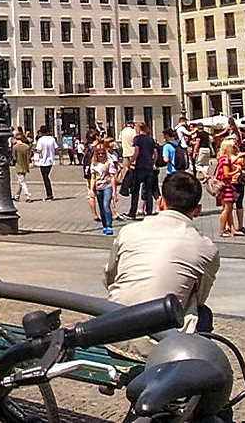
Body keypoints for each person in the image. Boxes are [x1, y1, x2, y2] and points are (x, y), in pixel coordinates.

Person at [104, 171, 220, 335]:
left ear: (160, 202)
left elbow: (110, 275)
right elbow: (200, 298)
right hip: (164, 343)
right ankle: (193, 358)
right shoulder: (205, 248)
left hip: (113, 331)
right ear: (198, 210)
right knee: (203, 313)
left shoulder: (128, 231)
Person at [128, 122, 160, 219]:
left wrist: (131, 161)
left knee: (135, 190)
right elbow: (156, 154)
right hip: (149, 167)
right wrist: (152, 161)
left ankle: (132, 212)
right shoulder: (150, 139)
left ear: (139, 129)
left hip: (140, 167)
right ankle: (148, 211)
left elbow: (136, 152)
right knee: (149, 190)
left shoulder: (137, 139)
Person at [213, 137, 243, 237]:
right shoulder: (225, 159)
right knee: (227, 208)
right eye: (233, 147)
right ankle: (222, 231)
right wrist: (236, 171)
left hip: (226, 185)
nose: (235, 148)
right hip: (225, 186)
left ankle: (232, 229)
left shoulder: (222, 158)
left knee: (229, 208)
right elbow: (227, 174)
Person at [89, 143, 119, 236]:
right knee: (101, 207)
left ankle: (109, 225)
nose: (101, 155)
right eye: (99, 153)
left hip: (107, 186)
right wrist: (91, 190)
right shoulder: (94, 164)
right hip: (98, 187)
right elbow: (93, 178)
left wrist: (114, 192)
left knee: (106, 205)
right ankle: (104, 225)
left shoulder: (108, 163)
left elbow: (112, 177)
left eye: (102, 153)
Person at [34, 125, 57, 200]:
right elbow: (56, 148)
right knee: (47, 176)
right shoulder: (52, 139)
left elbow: (39, 151)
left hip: (43, 161)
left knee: (45, 177)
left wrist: (34, 151)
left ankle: (49, 194)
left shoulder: (41, 140)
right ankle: (49, 193)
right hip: (50, 160)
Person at [11, 130, 33, 202]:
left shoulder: (15, 147)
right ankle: (17, 196)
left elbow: (14, 157)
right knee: (20, 181)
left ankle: (28, 195)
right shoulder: (26, 147)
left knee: (22, 182)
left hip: (19, 165)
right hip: (25, 165)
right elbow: (29, 155)